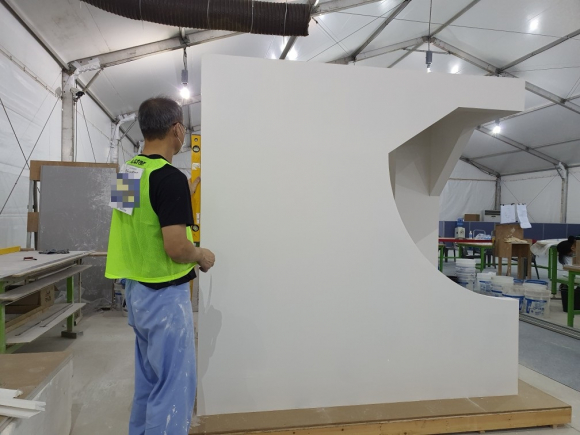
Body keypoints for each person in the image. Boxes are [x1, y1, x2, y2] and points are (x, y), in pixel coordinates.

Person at [105, 96, 215, 435]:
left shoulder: (129, 172)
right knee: (174, 389)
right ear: (177, 129)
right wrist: (201, 255)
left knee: (149, 381)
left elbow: (138, 222)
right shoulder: (169, 179)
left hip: (136, 293)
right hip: (164, 297)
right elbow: (177, 247)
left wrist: (183, 192)